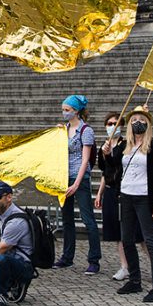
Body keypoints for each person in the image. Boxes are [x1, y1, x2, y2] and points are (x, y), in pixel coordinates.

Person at [110, 105, 153, 303]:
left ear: (148, 123)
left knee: (150, 241)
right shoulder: (126, 145)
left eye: (142, 119)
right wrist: (108, 149)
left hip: (144, 198)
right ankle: (135, 280)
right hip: (126, 196)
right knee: (126, 240)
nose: (138, 123)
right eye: (134, 120)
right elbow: (110, 164)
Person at [53, 94, 101, 275]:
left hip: (79, 178)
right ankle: (67, 256)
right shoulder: (64, 129)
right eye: (63, 109)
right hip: (64, 176)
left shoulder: (85, 130)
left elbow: (85, 159)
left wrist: (77, 183)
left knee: (88, 219)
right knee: (67, 220)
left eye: (67, 110)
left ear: (76, 111)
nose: (64, 113)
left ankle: (94, 259)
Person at [95, 111, 142, 281]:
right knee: (116, 232)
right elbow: (104, 171)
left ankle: (152, 264)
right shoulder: (105, 145)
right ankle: (125, 266)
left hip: (124, 190)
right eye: (109, 124)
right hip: (109, 190)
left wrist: (109, 155)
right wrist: (100, 193)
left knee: (137, 232)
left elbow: (118, 166)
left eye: (116, 123)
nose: (112, 126)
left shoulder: (125, 144)